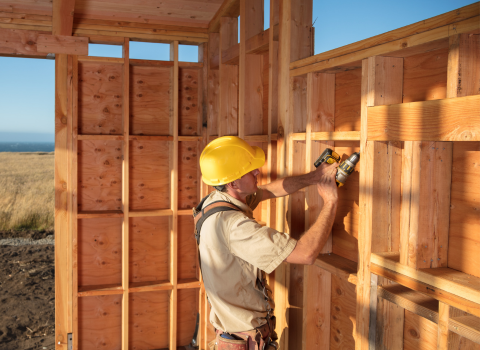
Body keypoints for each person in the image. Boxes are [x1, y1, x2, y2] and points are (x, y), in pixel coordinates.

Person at [196, 136, 339, 350]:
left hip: (240, 336)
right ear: (233, 182)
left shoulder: (216, 201)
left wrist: (314, 177)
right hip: (244, 342)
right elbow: (306, 254)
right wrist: (331, 201)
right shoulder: (235, 227)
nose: (257, 172)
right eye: (250, 170)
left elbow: (270, 190)